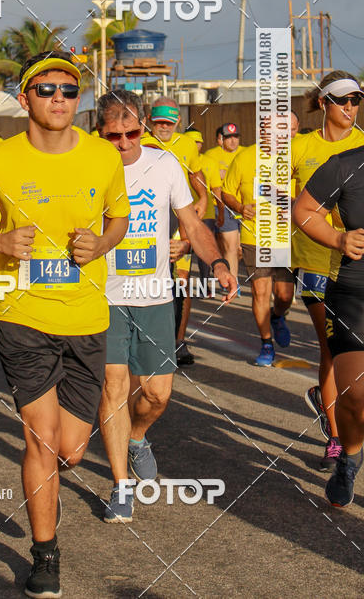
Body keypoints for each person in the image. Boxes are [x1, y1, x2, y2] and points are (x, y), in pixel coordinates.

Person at [0, 51, 130, 599]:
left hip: (86, 317)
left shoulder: (103, 156)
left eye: (69, 91)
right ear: (26, 96)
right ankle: (44, 555)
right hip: (22, 315)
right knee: (42, 441)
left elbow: (118, 217)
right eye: (48, 89)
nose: (59, 98)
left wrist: (102, 242)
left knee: (73, 451)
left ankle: (52, 495)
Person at [96, 91, 237, 522]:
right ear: (98, 131)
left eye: (131, 132)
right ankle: (121, 487)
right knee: (114, 389)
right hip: (105, 296)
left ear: (141, 125)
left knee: (156, 394)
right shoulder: (87, 164)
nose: (123, 142)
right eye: (112, 135)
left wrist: (217, 263)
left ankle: (137, 439)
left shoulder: (164, 164)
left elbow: (192, 222)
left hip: (155, 296)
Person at [291, 72, 364, 469]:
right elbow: (276, 193)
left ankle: (339, 409)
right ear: (323, 104)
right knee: (332, 351)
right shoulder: (301, 146)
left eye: (355, 100)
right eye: (342, 101)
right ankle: (336, 437)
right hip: (314, 260)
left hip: (355, 269)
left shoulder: (363, 145)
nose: (350, 108)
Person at [222, 121, 294, 366]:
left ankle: (277, 315)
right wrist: (241, 207)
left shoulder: (291, 157)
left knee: (284, 294)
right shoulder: (244, 158)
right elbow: (226, 192)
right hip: (255, 236)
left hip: (285, 236)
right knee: (260, 291)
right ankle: (266, 344)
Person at [140, 98, 207, 364]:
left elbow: (196, 173)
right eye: (159, 123)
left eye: (169, 123)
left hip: (179, 219)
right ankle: (149, 338)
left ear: (178, 121)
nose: (164, 127)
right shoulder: (141, 142)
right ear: (149, 120)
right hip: (148, 219)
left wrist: (202, 197)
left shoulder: (187, 144)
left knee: (181, 280)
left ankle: (178, 341)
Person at [185, 129, 224, 288]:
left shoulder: (210, 162)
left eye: (198, 142)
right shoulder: (177, 159)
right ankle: (182, 285)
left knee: (204, 251)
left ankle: (204, 283)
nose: (196, 145)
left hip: (206, 212)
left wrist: (221, 212)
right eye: (192, 142)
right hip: (182, 212)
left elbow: (216, 189)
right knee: (185, 250)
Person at [204, 123, 243, 279]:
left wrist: (224, 174)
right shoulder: (211, 155)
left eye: (236, 137)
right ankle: (233, 284)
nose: (233, 141)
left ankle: (224, 271)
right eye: (228, 137)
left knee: (239, 249)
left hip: (243, 206)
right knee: (231, 247)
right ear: (221, 139)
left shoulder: (246, 154)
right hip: (222, 206)